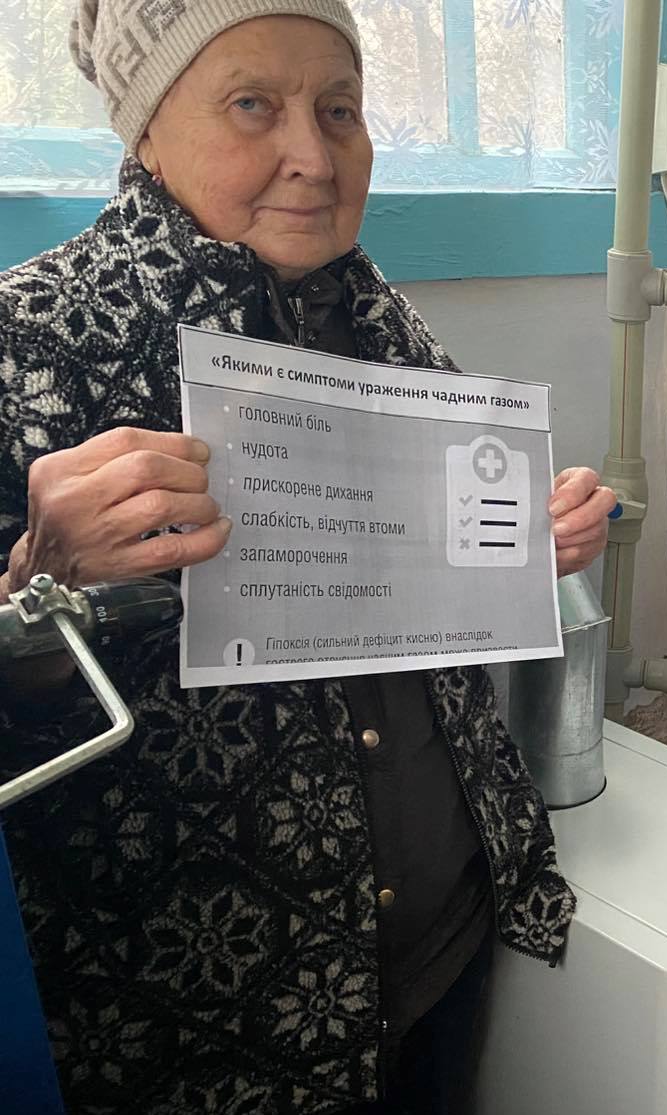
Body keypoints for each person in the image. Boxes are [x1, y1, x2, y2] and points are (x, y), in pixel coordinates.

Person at [0, 3, 615, 1111]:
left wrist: (528, 545)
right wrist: (41, 588)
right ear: (147, 131)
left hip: (442, 951)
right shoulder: (29, 347)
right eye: (253, 105)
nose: (314, 157)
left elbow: (423, 587)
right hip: (212, 1025)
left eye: (340, 110)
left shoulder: (383, 326)